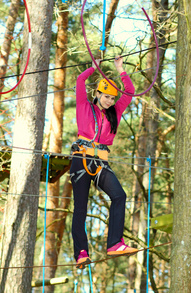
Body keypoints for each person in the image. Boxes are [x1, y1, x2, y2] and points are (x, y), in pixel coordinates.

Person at [70, 56, 138, 269]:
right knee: (80, 207)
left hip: (101, 161)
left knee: (119, 195)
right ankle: (81, 253)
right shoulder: (84, 105)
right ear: (97, 94)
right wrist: (93, 68)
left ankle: (115, 243)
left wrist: (120, 69)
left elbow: (131, 91)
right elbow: (80, 81)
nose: (109, 101)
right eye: (105, 96)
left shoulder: (114, 113)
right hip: (81, 159)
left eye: (111, 98)